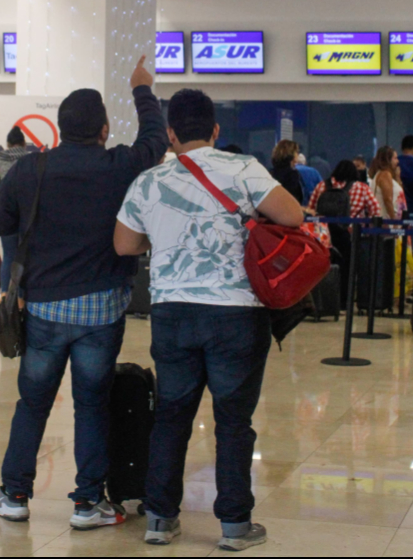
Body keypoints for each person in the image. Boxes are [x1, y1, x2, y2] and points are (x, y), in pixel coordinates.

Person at [114, 88, 305, 552]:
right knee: (234, 421)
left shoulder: (149, 181)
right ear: (216, 131)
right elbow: (293, 215)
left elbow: (124, 245)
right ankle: (235, 526)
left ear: (172, 133)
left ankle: (160, 518)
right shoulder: (243, 169)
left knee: (171, 417)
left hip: (173, 313)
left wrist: (161, 241)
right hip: (237, 315)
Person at [0, 56, 167, 530]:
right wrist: (142, 90)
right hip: (103, 309)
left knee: (33, 402)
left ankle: (14, 495)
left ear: (60, 129)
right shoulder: (118, 164)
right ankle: (88, 504)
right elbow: (153, 142)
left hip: (43, 308)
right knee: (92, 403)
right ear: (104, 129)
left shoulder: (31, 170)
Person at [0, 126, 35, 294]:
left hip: (6, 213)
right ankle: (23, 296)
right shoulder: (31, 160)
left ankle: (4, 294)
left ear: (8, 144)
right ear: (24, 143)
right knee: (26, 256)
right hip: (27, 214)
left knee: (9, 255)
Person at [305, 159, 381, 249]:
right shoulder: (362, 188)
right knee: (349, 261)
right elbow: (376, 210)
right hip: (352, 235)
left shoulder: (321, 186)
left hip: (324, 235)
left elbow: (311, 210)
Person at [370, 146, 402, 220]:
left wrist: (397, 177)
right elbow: (387, 199)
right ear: (388, 160)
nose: (398, 161)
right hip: (386, 223)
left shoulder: (380, 174)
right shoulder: (385, 175)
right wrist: (393, 221)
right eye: (395, 158)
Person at [269, 140, 304, 204]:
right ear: (291, 154)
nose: (298, 155)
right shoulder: (292, 175)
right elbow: (293, 200)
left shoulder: (270, 173)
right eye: (297, 152)